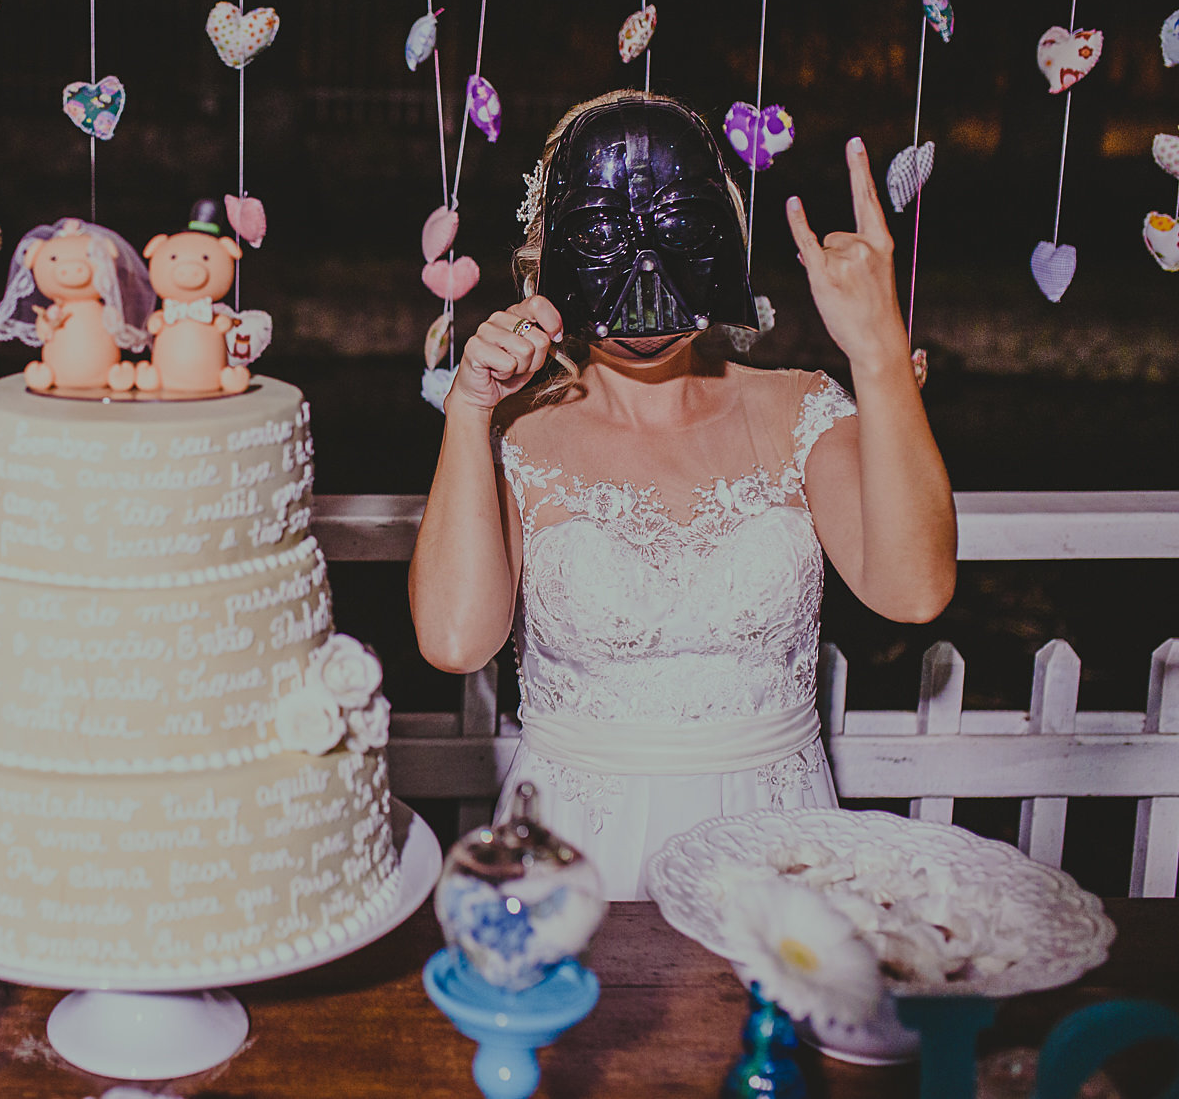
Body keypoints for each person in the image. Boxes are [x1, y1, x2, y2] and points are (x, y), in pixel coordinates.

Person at [408, 89, 956, 900]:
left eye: (682, 232)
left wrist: (877, 351)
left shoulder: (799, 408)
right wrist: (469, 408)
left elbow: (914, 591)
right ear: (552, 250)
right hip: (578, 847)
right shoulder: (516, 437)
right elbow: (456, 642)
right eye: (601, 237)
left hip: (777, 844)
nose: (646, 279)